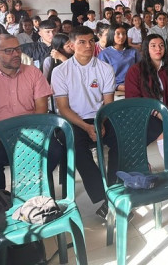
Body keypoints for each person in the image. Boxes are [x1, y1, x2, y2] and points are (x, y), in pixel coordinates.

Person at [0, 33, 61, 192]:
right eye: (8, 51)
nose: (16, 54)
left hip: (32, 131)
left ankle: (34, 189)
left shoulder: (33, 73)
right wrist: (11, 139)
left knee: (55, 151)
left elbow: (41, 111)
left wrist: (28, 137)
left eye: (18, 49)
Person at [51, 26, 118, 219]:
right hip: (73, 119)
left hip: (100, 116)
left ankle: (114, 189)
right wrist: (86, 127)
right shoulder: (61, 71)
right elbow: (63, 108)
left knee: (120, 139)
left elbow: (108, 104)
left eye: (91, 41)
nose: (88, 45)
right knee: (75, 146)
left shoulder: (105, 68)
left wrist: (99, 123)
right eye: (82, 42)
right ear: (71, 45)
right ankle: (103, 197)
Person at [125, 34, 168, 192]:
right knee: (163, 133)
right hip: (146, 114)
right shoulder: (135, 70)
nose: (158, 49)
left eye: (161, 45)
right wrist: (156, 112)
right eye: (153, 46)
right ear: (146, 49)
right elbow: (133, 97)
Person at [98, 25, 138, 91]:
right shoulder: (104, 54)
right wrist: (117, 87)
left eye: (124, 33)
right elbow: (101, 78)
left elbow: (141, 70)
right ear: (111, 35)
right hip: (114, 89)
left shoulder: (133, 51)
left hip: (134, 85)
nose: (121, 36)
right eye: (118, 34)